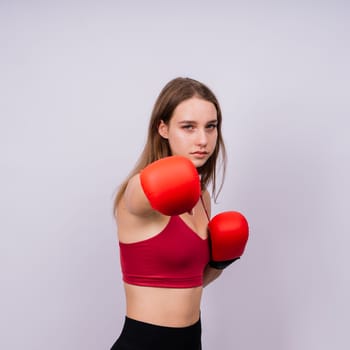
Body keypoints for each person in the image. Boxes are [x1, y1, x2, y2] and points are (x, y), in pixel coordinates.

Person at [111, 77, 249, 350]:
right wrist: (158, 183)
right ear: (163, 128)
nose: (203, 140)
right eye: (188, 127)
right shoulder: (140, 189)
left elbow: (194, 281)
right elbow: (135, 198)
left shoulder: (201, 196)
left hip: (190, 341)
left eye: (211, 127)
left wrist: (218, 264)